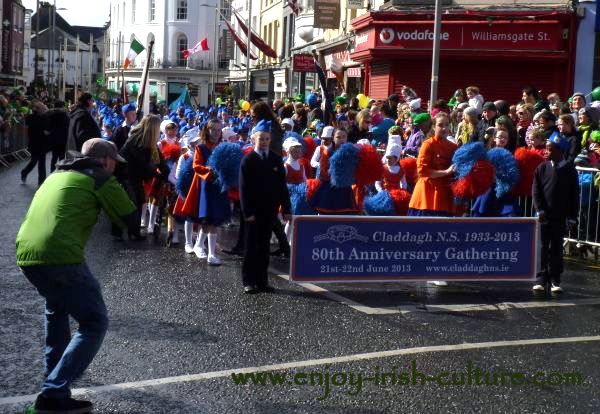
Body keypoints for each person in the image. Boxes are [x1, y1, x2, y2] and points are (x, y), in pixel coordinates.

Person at [16, 138, 138, 413]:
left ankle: (56, 394)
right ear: (106, 160)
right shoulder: (99, 179)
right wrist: (125, 184)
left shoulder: (59, 173)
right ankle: (53, 391)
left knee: (57, 310)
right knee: (94, 321)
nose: (115, 169)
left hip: (27, 253)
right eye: (115, 165)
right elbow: (131, 220)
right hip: (61, 256)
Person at [239, 120, 291, 294]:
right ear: (254, 139)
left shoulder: (276, 159)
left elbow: (282, 186)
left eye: (267, 139)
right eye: (261, 138)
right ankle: (248, 281)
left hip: (269, 210)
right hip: (253, 212)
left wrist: (286, 209)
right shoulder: (248, 160)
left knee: (264, 247)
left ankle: (262, 281)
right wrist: (247, 212)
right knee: (251, 247)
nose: (264, 142)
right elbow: (243, 188)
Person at [532, 131, 579, 294]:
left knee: (557, 248)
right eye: (546, 148)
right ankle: (540, 278)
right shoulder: (542, 168)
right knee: (543, 247)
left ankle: (555, 279)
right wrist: (540, 209)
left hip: (560, 216)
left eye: (550, 149)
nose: (547, 152)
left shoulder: (570, 170)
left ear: (559, 151)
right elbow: (536, 191)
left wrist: (572, 217)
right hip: (544, 215)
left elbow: (574, 195)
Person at [21, 101, 49, 185]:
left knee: (42, 162)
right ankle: (24, 172)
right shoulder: (30, 117)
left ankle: (41, 181)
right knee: (34, 161)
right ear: (37, 109)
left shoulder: (45, 117)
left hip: (43, 142)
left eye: (44, 108)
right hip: (34, 142)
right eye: (42, 108)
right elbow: (26, 129)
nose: (44, 109)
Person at [45, 100, 70, 172]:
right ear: (62, 106)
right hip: (63, 138)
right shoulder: (65, 115)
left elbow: (48, 127)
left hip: (53, 138)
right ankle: (60, 171)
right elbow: (68, 126)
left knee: (54, 156)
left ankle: (52, 171)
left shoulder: (50, 114)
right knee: (62, 156)